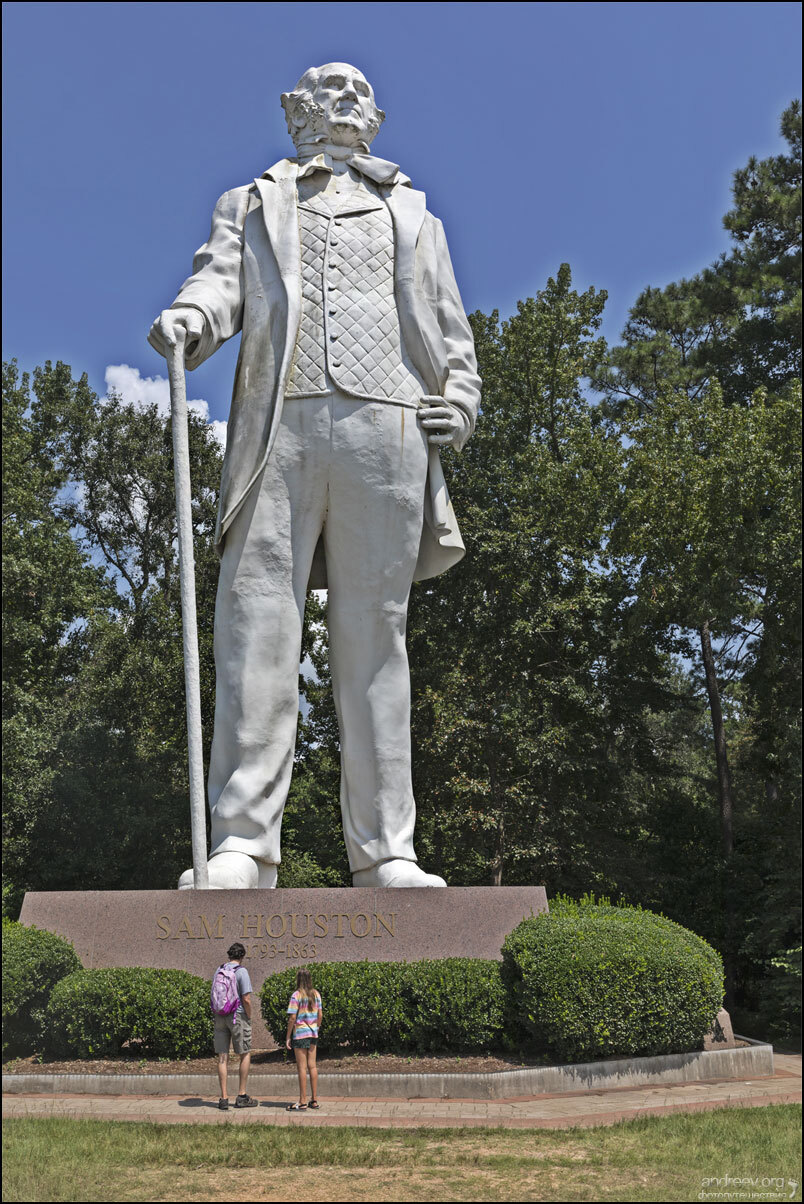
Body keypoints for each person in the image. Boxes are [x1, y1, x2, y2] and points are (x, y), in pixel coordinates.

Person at [148, 62, 481, 891]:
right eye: (325, 88)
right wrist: (192, 317)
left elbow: (448, 324)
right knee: (257, 629)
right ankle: (244, 845)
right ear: (296, 111)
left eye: (356, 89)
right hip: (280, 428)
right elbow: (219, 283)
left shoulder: (414, 213)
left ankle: (387, 851)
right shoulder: (253, 201)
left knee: (378, 643)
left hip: (391, 426)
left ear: (373, 113)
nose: (343, 99)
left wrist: (461, 403)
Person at [213, 942, 258, 1110]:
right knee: (244, 1053)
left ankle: (223, 1098)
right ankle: (241, 1095)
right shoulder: (242, 972)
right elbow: (246, 998)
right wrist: (249, 1015)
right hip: (237, 1015)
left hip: (220, 1015)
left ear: (229, 955)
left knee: (222, 1057)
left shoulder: (219, 970)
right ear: (242, 956)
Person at [285, 968, 323, 1111]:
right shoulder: (316, 994)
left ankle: (302, 1101)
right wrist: (316, 1027)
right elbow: (320, 1015)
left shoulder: (296, 995)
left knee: (302, 1067)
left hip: (300, 1033)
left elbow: (292, 1017)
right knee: (312, 1066)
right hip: (313, 1034)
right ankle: (314, 1100)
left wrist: (288, 1036)